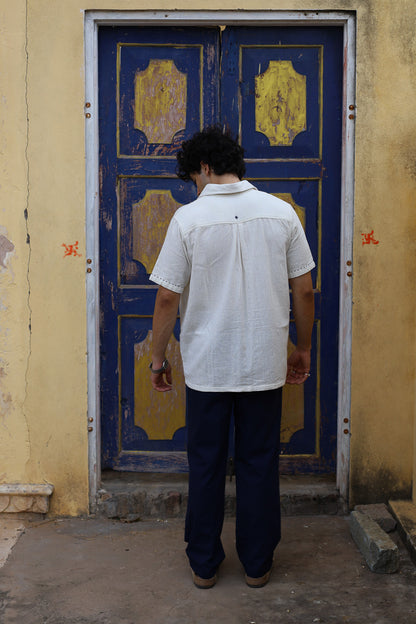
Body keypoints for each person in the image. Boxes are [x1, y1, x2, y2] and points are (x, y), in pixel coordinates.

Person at [149, 126, 315, 589]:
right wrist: (301, 348)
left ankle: (204, 565)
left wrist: (158, 360)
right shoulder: (282, 213)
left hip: (208, 368)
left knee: (205, 464)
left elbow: (166, 297)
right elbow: (303, 288)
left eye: (193, 178)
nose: (195, 187)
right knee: (259, 462)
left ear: (203, 168)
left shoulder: (188, 219)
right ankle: (258, 565)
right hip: (263, 366)